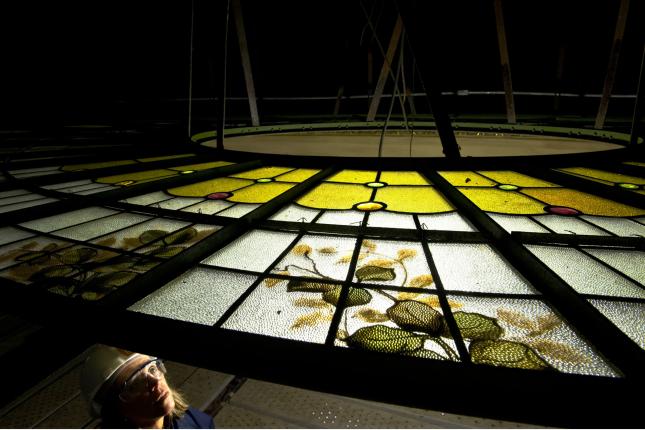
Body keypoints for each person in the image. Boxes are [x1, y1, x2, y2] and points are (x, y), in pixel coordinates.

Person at [80, 344, 215, 429]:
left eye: (152, 369)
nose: (155, 381)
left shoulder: (196, 422)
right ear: (113, 410)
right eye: (135, 384)